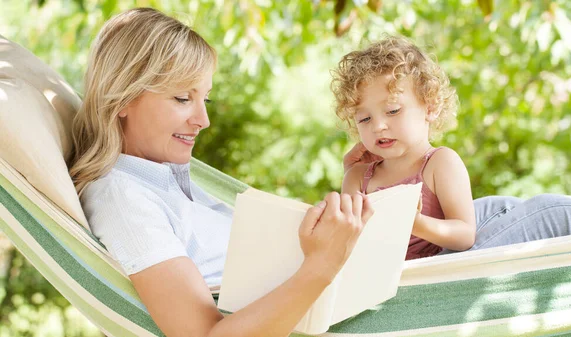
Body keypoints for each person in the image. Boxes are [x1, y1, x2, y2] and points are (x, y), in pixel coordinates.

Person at [69, 8, 374, 337]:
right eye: (183, 98)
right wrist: (322, 266)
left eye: (206, 100)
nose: (203, 120)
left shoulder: (165, 177)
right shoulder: (124, 201)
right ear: (122, 99)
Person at [333, 36, 571, 259]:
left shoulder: (440, 163)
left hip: (445, 256)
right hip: (412, 279)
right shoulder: (358, 177)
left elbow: (463, 235)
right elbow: (348, 248)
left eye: (392, 110)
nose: (378, 125)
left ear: (430, 107)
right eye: (364, 118)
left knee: (505, 206)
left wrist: (414, 223)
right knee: (530, 208)